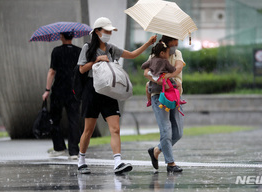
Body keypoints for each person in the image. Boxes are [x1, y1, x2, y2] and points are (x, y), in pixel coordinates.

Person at [77, 17, 157, 174]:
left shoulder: (111, 48)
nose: (108, 33)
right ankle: (81, 160)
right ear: (97, 31)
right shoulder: (87, 48)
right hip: (92, 91)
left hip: (109, 91)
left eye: (110, 31)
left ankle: (117, 162)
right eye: (106, 31)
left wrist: (148, 43)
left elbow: (132, 54)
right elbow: (81, 70)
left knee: (115, 128)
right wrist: (97, 60)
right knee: (88, 130)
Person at [144, 35, 185, 173]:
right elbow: (146, 72)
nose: (176, 45)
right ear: (167, 43)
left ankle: (156, 150)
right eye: (174, 42)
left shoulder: (177, 54)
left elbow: (178, 68)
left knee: (178, 133)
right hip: (159, 96)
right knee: (166, 130)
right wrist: (158, 80)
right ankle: (170, 164)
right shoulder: (155, 54)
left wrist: (167, 77)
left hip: (174, 95)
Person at [42, 32, 82, 160]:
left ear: (61, 37)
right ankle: (74, 151)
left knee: (55, 119)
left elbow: (52, 71)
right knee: (74, 120)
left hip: (59, 90)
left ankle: (59, 148)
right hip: (74, 91)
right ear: (73, 37)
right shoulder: (79, 51)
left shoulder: (56, 51)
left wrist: (47, 89)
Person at [141, 41, 181, 106]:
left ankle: (149, 101)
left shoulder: (151, 60)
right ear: (162, 53)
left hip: (154, 81)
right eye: (168, 53)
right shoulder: (165, 61)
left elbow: (143, 66)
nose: (169, 54)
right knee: (178, 85)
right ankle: (178, 100)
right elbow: (172, 69)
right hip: (164, 81)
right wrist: (173, 68)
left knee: (147, 85)